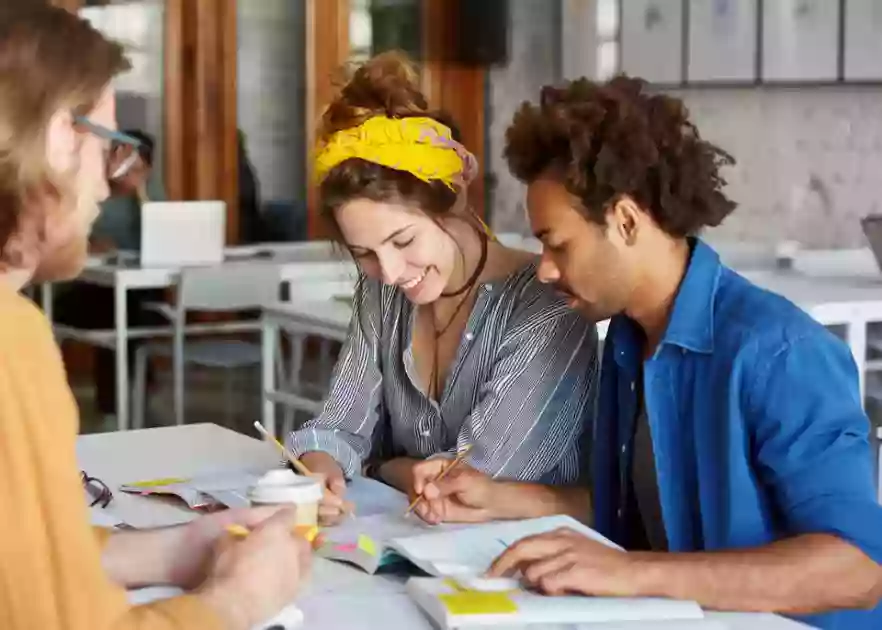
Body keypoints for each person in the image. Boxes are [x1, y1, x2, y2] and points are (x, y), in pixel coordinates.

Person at [409, 76, 882, 629]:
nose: (545, 269)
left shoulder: (780, 353)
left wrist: (633, 572)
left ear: (627, 221)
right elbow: (654, 507)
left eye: (558, 244)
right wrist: (501, 499)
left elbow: (859, 568)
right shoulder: (629, 341)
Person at [0, 7, 310, 630]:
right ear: (62, 135)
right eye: (108, 148)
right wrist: (238, 600)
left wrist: (171, 549)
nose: (107, 184)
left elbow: (21, 565)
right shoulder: (13, 339)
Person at [288, 52, 599, 525]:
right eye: (364, 254)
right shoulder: (380, 295)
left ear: (452, 200)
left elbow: (467, 483)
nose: (390, 272)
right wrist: (320, 468)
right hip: (424, 547)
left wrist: (380, 464)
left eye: (403, 240)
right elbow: (336, 427)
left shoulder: (544, 307)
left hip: (528, 560)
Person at [53, 128, 166, 423]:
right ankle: (118, 406)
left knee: (130, 312)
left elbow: (161, 234)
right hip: (86, 290)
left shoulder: (150, 194)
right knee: (120, 314)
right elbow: (65, 237)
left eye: (136, 166)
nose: (125, 172)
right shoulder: (93, 191)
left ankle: (127, 402)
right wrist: (88, 244)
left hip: (136, 290)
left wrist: (141, 191)